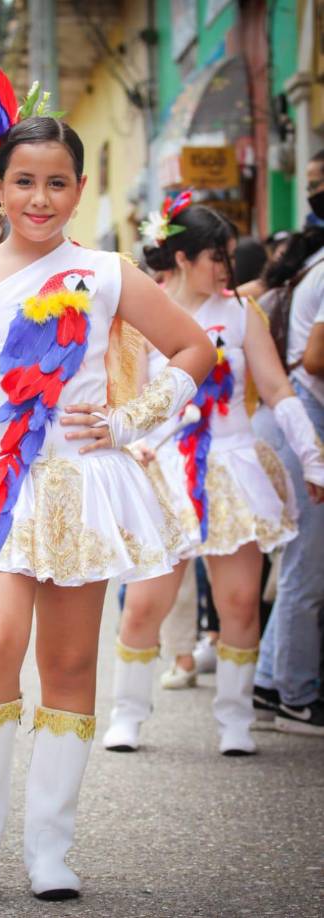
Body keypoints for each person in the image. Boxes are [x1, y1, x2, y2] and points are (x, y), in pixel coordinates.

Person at [0, 71, 216, 905]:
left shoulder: (107, 270)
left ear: (78, 188)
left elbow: (194, 351)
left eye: (58, 182)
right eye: (24, 182)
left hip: (84, 483)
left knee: (72, 661)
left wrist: (131, 419)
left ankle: (50, 850)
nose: (40, 198)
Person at [102, 199, 324, 758]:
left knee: (242, 602)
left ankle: (235, 720)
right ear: (181, 257)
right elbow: (126, 396)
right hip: (166, 467)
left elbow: (277, 389)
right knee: (145, 604)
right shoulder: (142, 315)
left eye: (227, 256)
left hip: (232, 465)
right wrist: (137, 445)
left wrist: (313, 457)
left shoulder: (240, 314)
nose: (226, 267)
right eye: (214, 256)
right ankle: (128, 714)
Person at [252, 149, 324, 736]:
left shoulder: (304, 274)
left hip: (290, 424)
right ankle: (293, 692)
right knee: (307, 566)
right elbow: (315, 362)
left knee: (297, 564)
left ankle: (273, 682)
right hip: (305, 423)